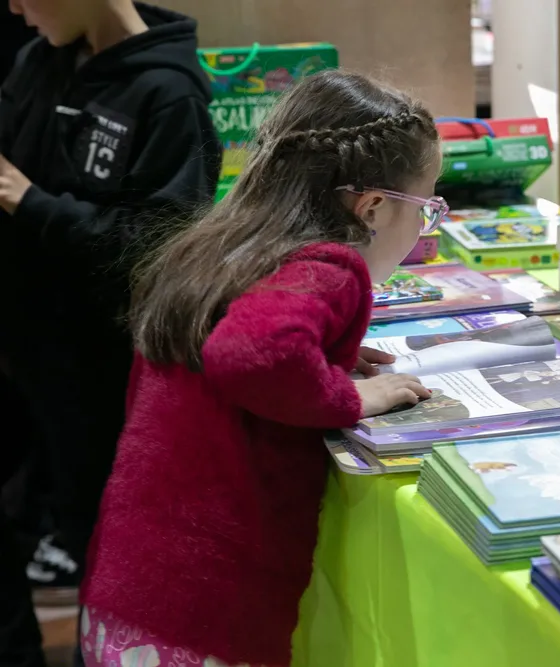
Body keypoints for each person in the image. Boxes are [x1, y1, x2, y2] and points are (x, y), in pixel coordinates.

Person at [81, 70, 443, 667]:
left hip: (131, 586)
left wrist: (325, 356)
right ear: (373, 207)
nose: (426, 224)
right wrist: (354, 397)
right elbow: (251, 354)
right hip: (206, 613)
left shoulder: (220, 246)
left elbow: (232, 347)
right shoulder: (327, 267)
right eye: (427, 207)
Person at [0, 0, 220, 664]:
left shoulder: (168, 94)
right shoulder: (38, 60)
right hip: (20, 350)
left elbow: (157, 247)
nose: (14, 7)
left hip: (97, 377)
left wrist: (32, 204)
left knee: (100, 546)